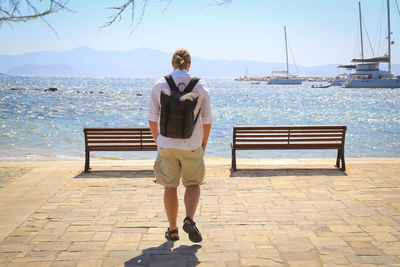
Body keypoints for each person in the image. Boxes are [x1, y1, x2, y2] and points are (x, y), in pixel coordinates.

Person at [148, 48, 212, 242]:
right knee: (193, 183)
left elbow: (152, 119)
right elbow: (207, 120)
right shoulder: (200, 86)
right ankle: (189, 219)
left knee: (170, 186)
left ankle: (173, 229)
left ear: (172, 63)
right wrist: (203, 144)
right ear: (189, 64)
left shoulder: (160, 84)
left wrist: (158, 140)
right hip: (192, 145)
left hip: (166, 144)